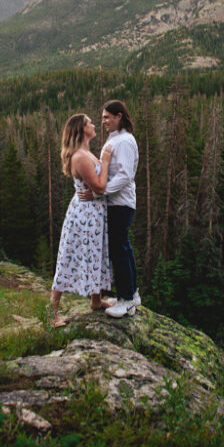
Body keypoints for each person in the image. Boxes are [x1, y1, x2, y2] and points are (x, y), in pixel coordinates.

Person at [49, 114, 115, 328]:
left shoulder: (85, 153)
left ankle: (96, 301)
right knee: (68, 257)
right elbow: (99, 187)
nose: (94, 124)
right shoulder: (79, 157)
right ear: (81, 129)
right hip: (84, 216)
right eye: (89, 122)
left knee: (95, 253)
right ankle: (52, 314)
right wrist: (105, 161)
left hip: (92, 213)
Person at [80, 100, 140, 318]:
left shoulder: (123, 141)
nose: (103, 121)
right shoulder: (116, 138)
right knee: (123, 247)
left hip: (120, 203)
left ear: (119, 117)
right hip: (118, 202)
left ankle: (126, 300)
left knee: (119, 250)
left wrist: (99, 191)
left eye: (107, 117)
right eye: (102, 117)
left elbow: (124, 176)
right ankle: (132, 294)